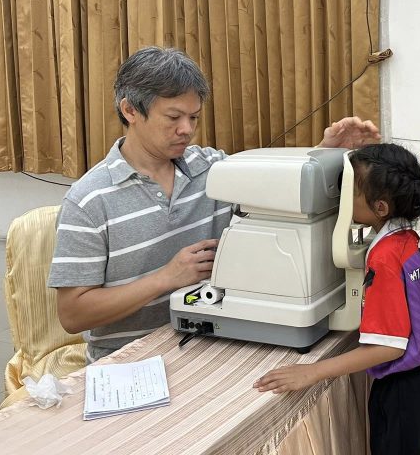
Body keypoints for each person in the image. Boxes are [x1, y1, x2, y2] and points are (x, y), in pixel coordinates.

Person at [48, 46, 380, 363]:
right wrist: (165, 278)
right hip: (130, 360)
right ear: (130, 110)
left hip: (211, 342)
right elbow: (73, 315)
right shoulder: (89, 200)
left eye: (193, 117)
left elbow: (279, 191)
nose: (187, 130)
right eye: (174, 117)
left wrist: (324, 153)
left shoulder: (212, 168)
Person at [254, 143, 420, 455]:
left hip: (406, 392)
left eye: (351, 191)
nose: (343, 198)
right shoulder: (413, 232)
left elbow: (389, 347)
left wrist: (311, 372)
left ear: (380, 208)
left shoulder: (385, 257)